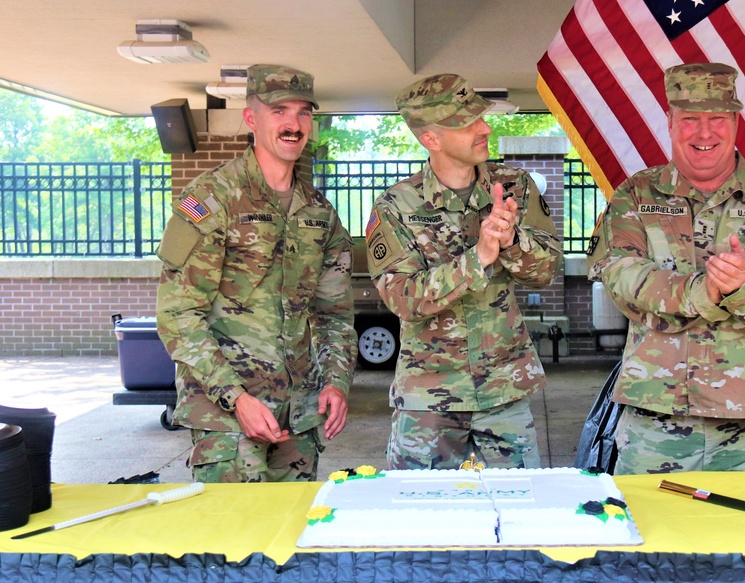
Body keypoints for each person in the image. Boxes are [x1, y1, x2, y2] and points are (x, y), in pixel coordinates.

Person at [587, 62, 745, 475]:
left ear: (735, 122)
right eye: (690, 119)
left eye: (717, 118)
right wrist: (705, 291)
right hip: (654, 418)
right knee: (651, 537)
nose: (704, 133)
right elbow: (621, 277)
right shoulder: (635, 195)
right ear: (670, 122)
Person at [156, 64, 356, 483]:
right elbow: (178, 315)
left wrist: (336, 383)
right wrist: (235, 397)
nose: (293, 124)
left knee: (289, 538)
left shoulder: (320, 212)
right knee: (233, 541)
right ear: (251, 118)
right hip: (226, 417)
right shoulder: (211, 200)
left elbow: (333, 317)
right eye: (279, 110)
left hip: (298, 416)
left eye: (304, 113)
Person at [366, 73, 563, 470]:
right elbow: (403, 298)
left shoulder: (515, 188)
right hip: (428, 400)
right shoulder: (395, 206)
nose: (484, 127)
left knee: (518, 516)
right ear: (431, 139)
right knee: (424, 520)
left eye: (481, 117)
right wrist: (479, 256)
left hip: (504, 390)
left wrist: (510, 242)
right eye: (466, 122)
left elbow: (546, 271)